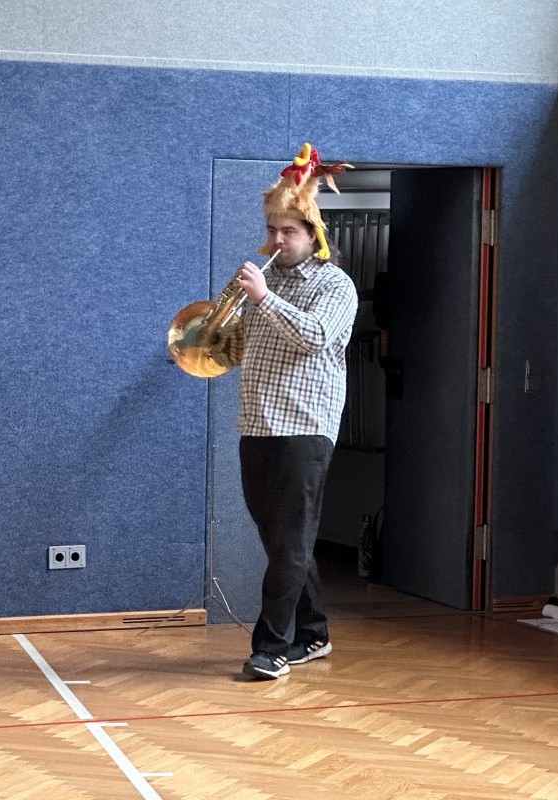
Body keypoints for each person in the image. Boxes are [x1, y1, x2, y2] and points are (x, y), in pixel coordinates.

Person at [214, 144, 358, 680]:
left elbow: (315, 337)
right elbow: (229, 348)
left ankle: (271, 649)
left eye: (289, 231)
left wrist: (263, 299)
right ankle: (314, 633)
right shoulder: (262, 281)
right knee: (282, 542)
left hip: (305, 428)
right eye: (272, 229)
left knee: (290, 541)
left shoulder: (334, 285)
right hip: (256, 424)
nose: (278, 240)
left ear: (312, 234)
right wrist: (219, 324)